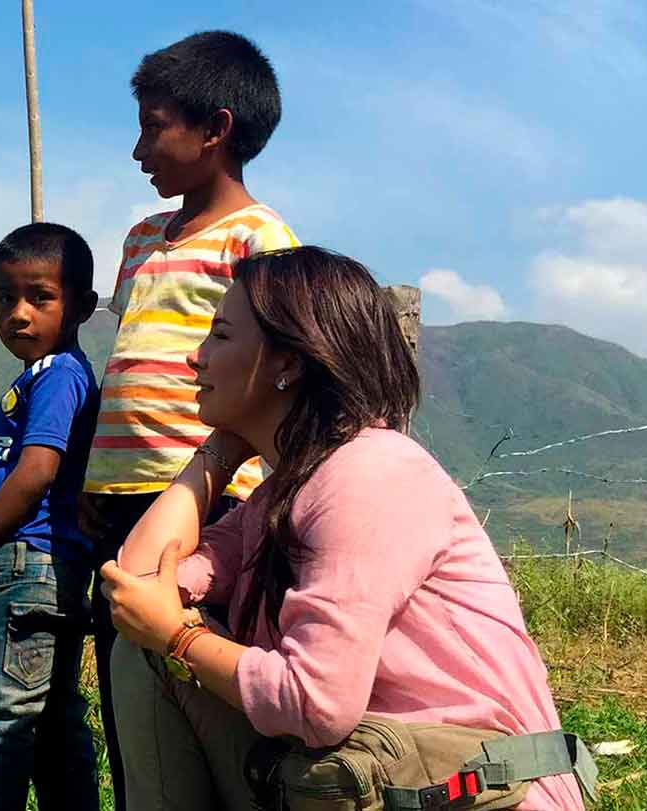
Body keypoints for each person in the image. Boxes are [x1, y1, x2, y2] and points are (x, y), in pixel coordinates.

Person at [98, 246, 591, 810]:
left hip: (470, 790)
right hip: (369, 776)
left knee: (158, 651)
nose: (196, 357)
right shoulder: (284, 492)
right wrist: (217, 452)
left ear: (287, 363)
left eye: (221, 336)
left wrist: (180, 638)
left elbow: (315, 703)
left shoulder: (369, 476)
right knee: (142, 653)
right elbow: (135, 584)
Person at [82, 30, 300, 805]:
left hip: (207, 500)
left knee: (195, 676)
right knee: (124, 676)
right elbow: (127, 359)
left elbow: (275, 365)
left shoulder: (259, 241)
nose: (139, 147)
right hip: (112, 499)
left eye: (153, 124)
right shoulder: (142, 237)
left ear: (214, 129)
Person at [0, 222, 103, 811]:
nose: (18, 314)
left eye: (40, 298)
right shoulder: (45, 374)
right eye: (4, 298)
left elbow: (36, 470)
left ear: (82, 306)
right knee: (55, 721)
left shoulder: (59, 374)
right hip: (51, 569)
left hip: (20, 565)